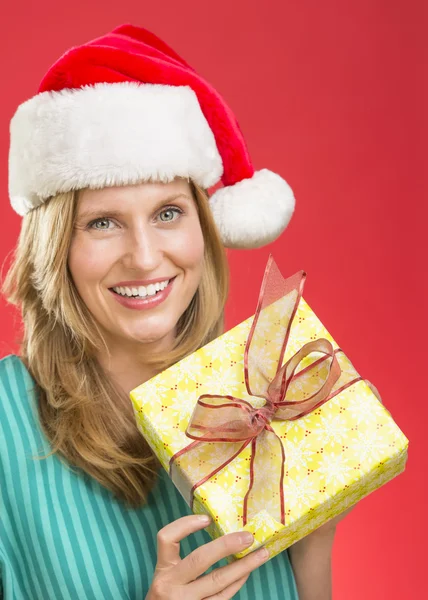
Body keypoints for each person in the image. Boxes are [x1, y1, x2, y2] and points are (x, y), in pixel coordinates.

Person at [0, 23, 348, 600]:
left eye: (167, 213)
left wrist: (316, 537)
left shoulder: (261, 393)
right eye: (102, 222)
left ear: (205, 230)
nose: (143, 257)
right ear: (56, 245)